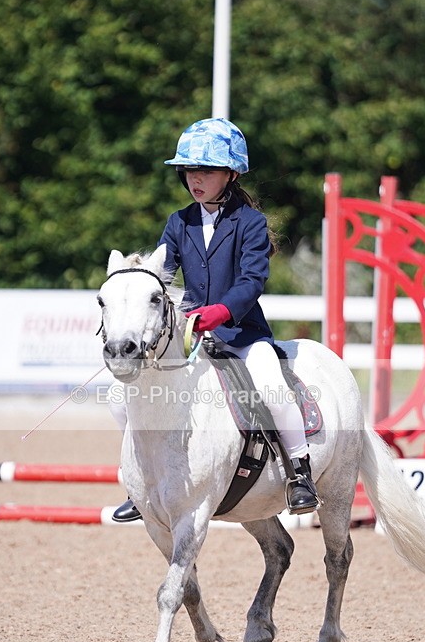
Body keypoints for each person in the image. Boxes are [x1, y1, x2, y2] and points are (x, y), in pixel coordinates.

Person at [112, 117, 319, 523]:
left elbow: (252, 279)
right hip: (190, 337)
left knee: (273, 390)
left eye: (205, 170)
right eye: (189, 170)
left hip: (242, 334)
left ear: (231, 172)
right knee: (125, 401)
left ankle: (299, 472)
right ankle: (142, 485)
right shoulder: (179, 222)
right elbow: (161, 273)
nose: (195, 179)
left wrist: (222, 310)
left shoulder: (251, 224)